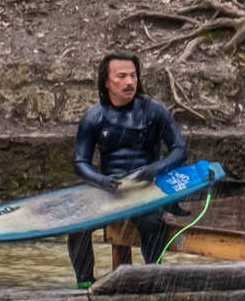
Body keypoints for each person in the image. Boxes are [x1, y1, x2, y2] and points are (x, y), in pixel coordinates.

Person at [69, 51, 187, 288]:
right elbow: (80, 163)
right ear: (106, 81)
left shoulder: (153, 110)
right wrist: (101, 181)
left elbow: (180, 149)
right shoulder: (93, 118)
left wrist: (157, 168)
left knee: (152, 222)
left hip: (146, 191)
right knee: (77, 227)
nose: (129, 82)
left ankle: (154, 279)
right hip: (110, 192)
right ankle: (85, 285)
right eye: (121, 76)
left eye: (133, 75)